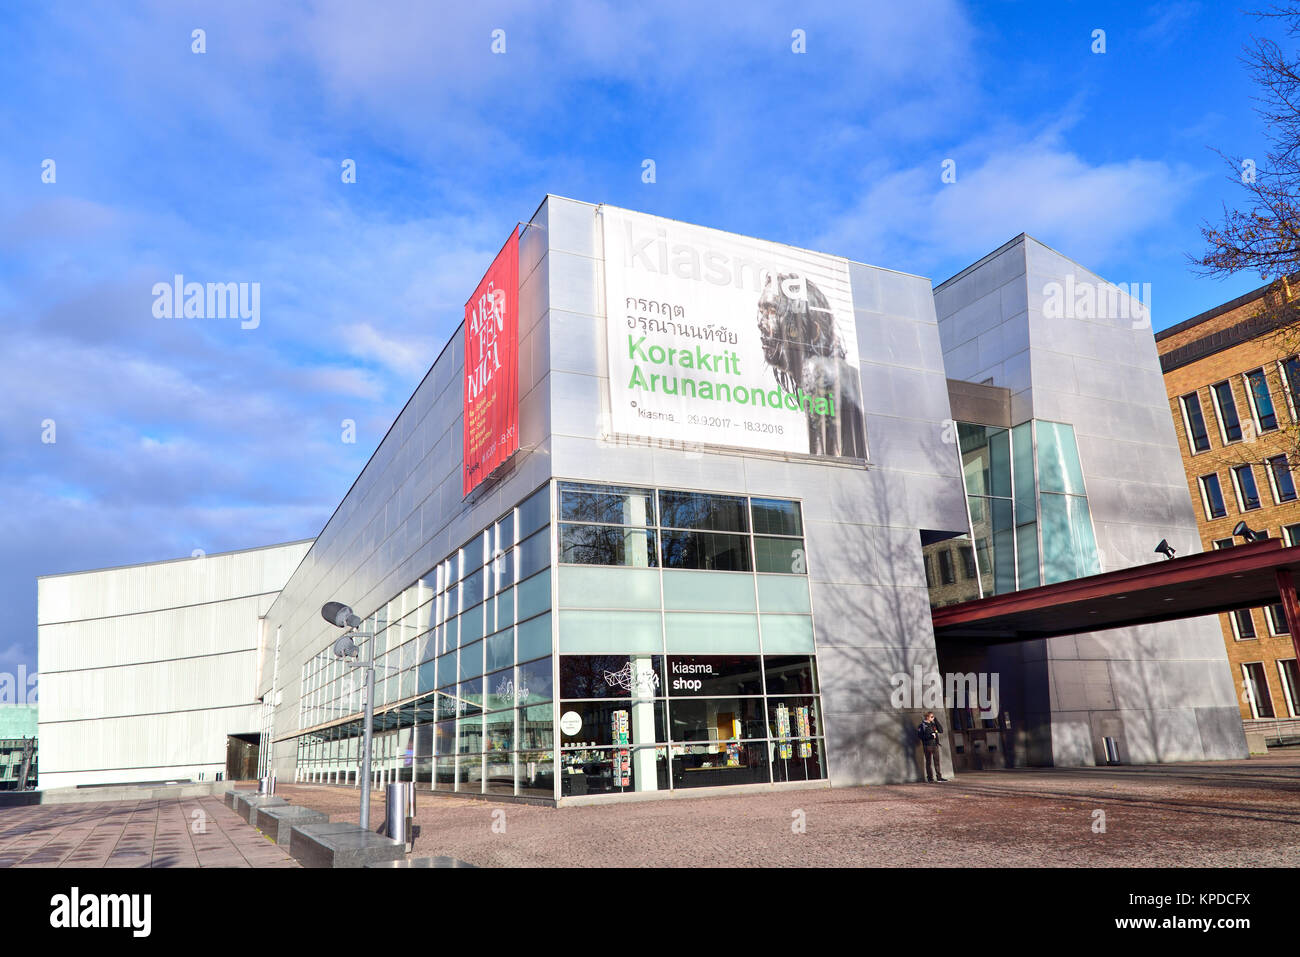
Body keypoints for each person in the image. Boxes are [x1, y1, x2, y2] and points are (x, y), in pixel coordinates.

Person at [917, 711, 947, 782]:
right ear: (927, 717)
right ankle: (930, 778)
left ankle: (939, 777)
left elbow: (941, 730)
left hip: (935, 745)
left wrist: (936, 720)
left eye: (933, 717)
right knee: (929, 762)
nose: (933, 718)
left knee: (937, 762)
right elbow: (920, 736)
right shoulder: (922, 726)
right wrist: (930, 736)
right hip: (927, 746)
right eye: (932, 717)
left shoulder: (933, 724)